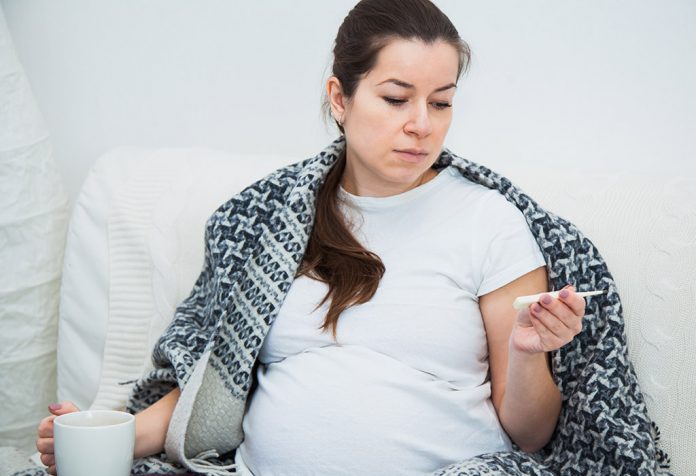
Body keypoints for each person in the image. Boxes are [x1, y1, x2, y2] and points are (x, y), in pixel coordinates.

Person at [36, 1, 591, 474]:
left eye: (441, 102)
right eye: (396, 98)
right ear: (340, 98)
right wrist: (105, 439)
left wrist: (527, 353)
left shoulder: (490, 222)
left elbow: (530, 433)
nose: (422, 124)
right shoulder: (271, 219)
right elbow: (213, 385)